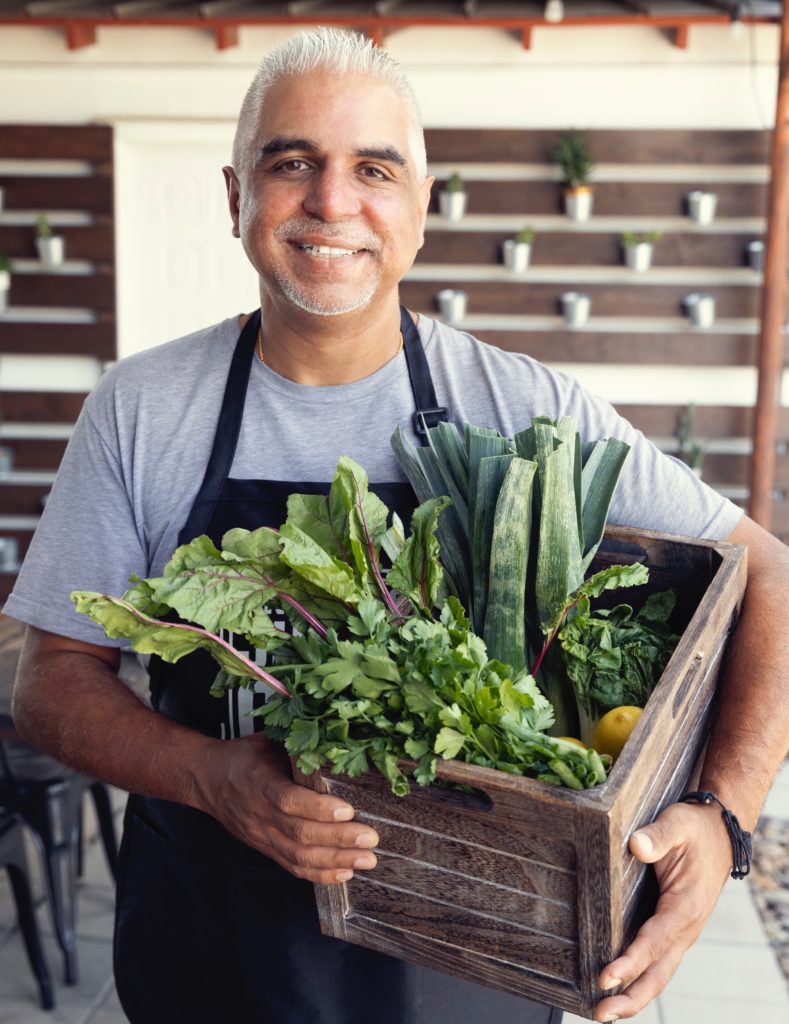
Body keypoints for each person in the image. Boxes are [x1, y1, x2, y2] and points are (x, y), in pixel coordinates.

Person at [5, 26, 788, 1024]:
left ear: (421, 206)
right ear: (236, 196)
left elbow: (769, 571)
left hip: (476, 973)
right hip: (214, 961)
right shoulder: (146, 408)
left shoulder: (523, 412)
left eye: (373, 168)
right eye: (291, 163)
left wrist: (721, 817)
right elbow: (49, 683)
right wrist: (210, 776)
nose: (332, 202)